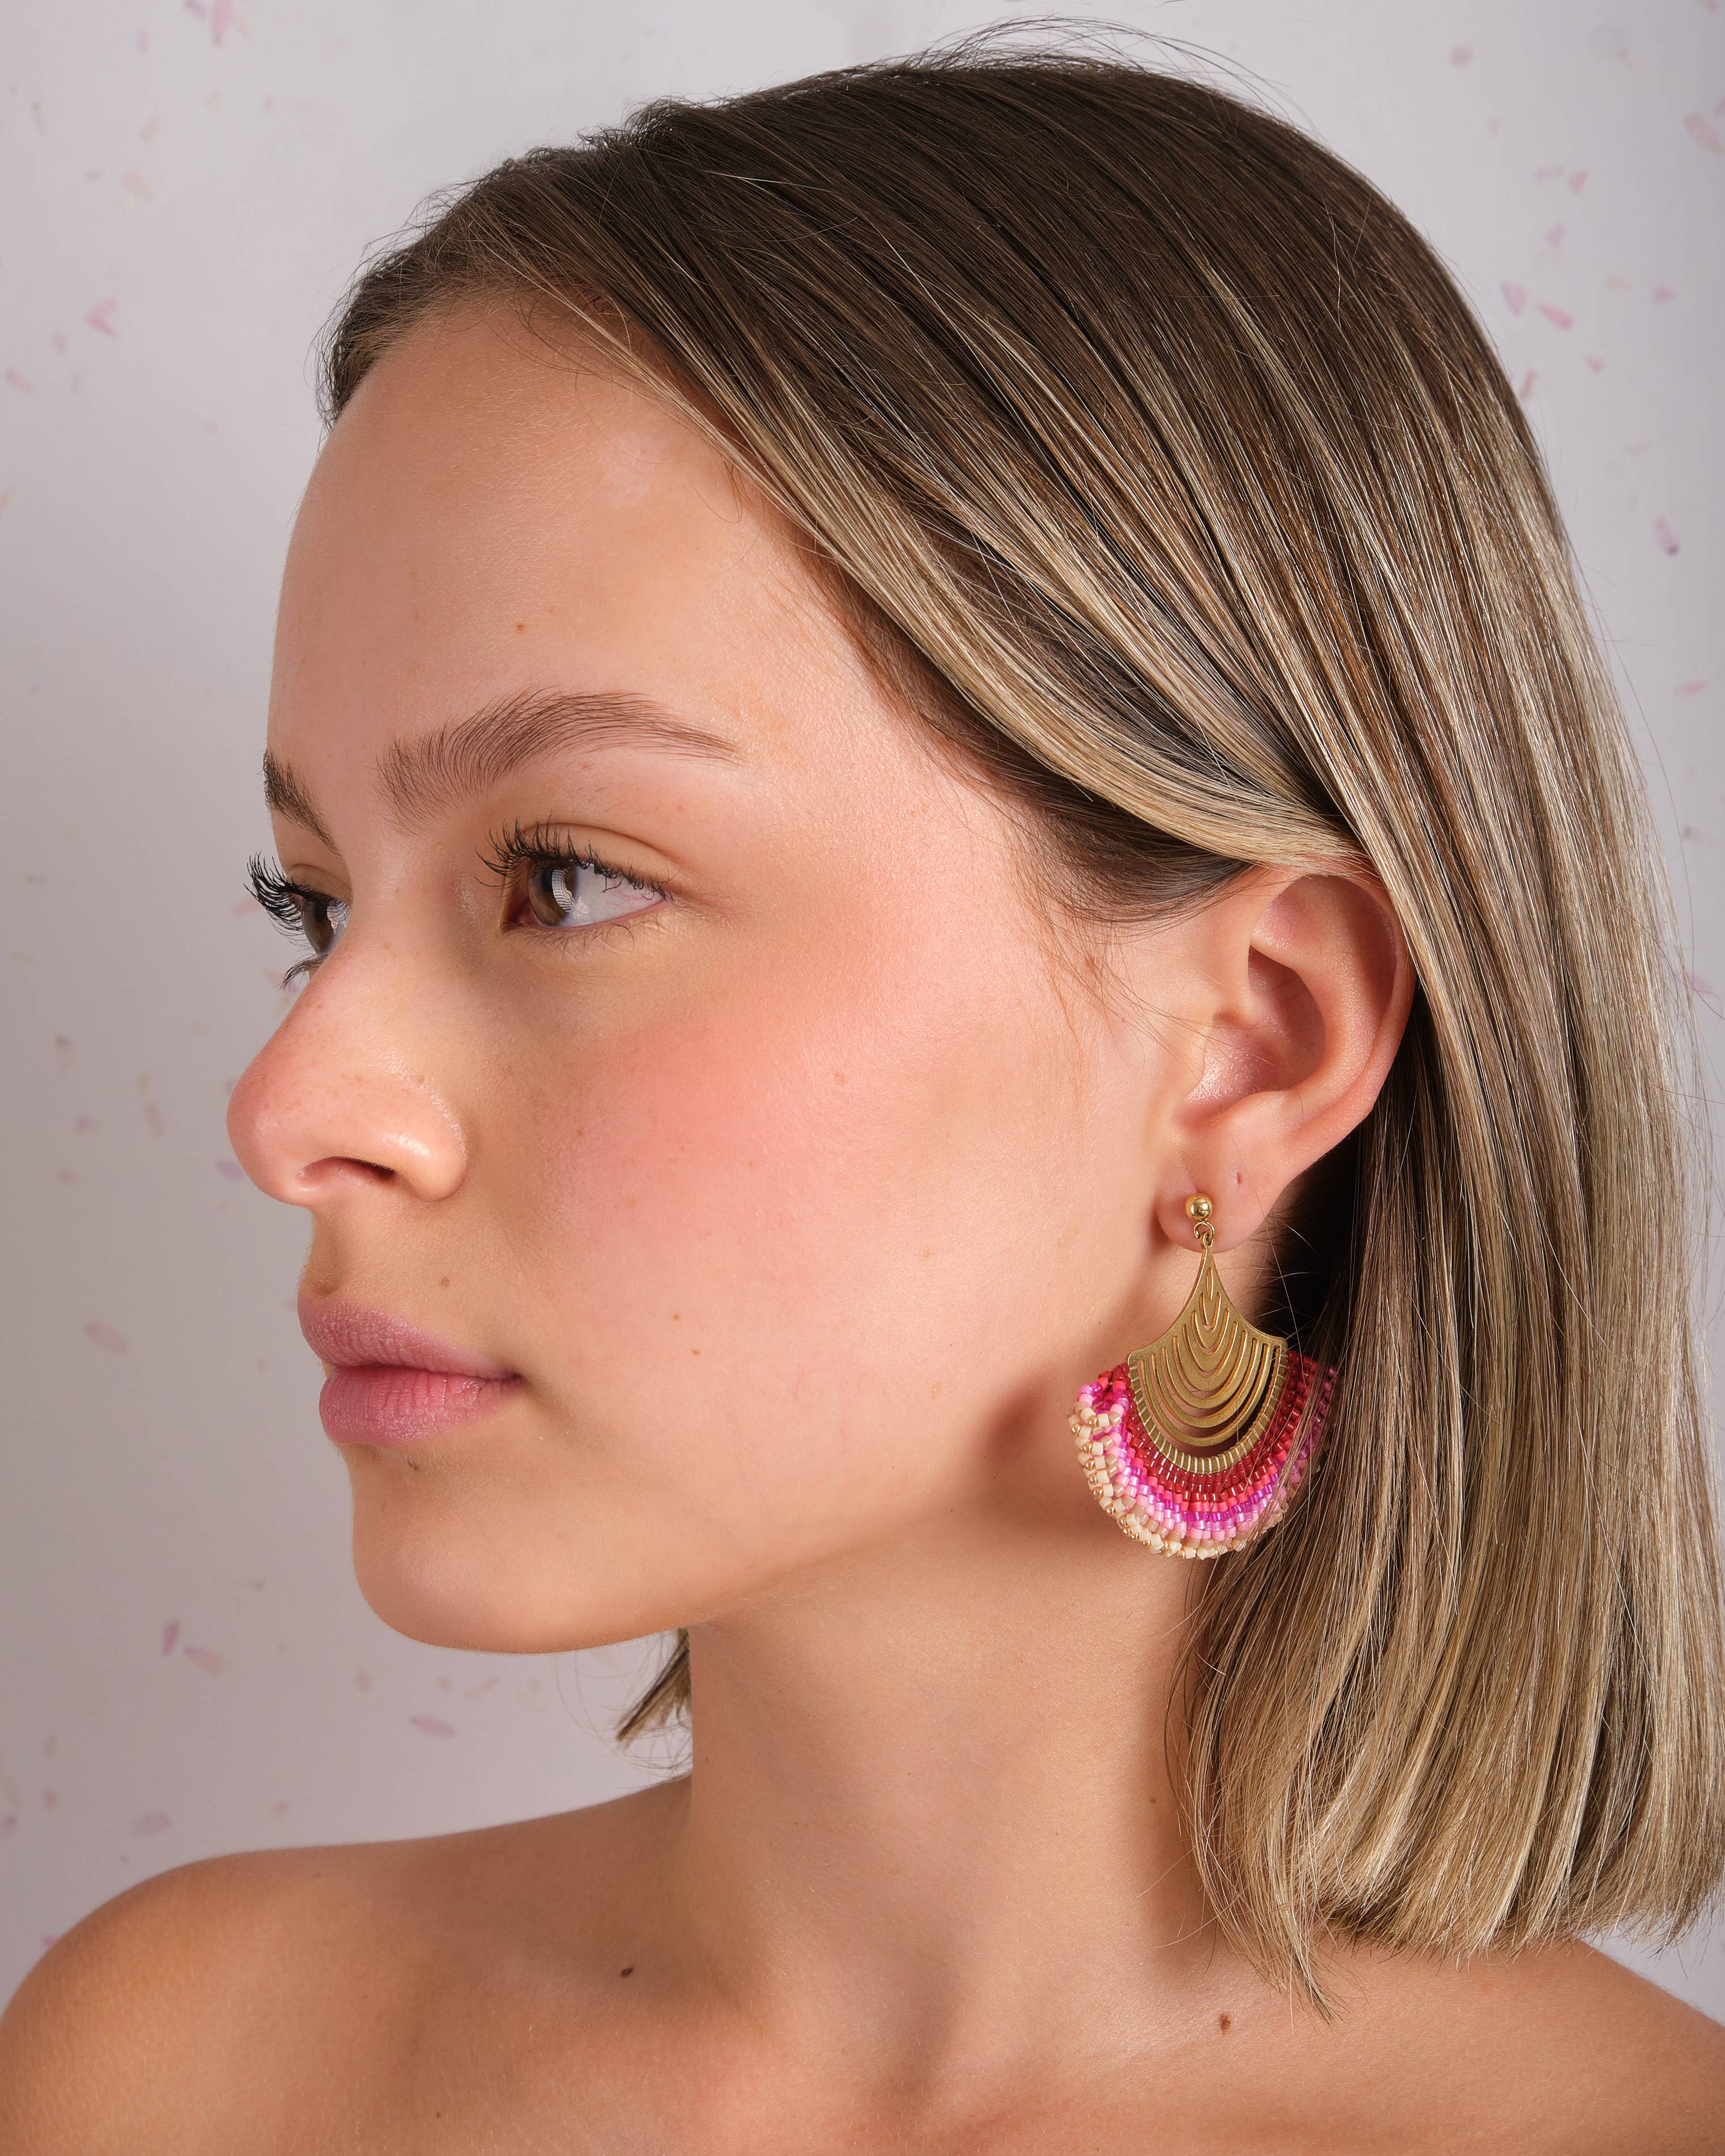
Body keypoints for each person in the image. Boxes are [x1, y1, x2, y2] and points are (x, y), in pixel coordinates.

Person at [3, 39, 1723, 2151]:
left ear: (1250, 1041)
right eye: (313, 899)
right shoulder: (177, 2077)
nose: (290, 1106)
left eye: (563, 879)